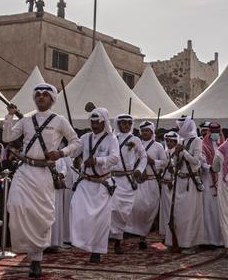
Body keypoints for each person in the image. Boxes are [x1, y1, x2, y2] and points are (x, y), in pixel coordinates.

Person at [1, 83, 80, 277]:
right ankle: (23, 246)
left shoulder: (59, 120)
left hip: (44, 172)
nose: (41, 97)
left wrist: (61, 152)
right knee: (16, 205)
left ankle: (36, 258)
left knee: (41, 216)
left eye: (45, 94)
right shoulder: (26, 120)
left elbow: (76, 142)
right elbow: (7, 137)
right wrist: (9, 116)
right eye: (38, 94)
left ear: (52, 99)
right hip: (25, 170)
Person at [68, 108, 119, 262]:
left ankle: (96, 250)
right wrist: (71, 142)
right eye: (92, 122)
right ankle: (80, 241)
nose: (94, 125)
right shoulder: (85, 138)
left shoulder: (111, 139)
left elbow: (115, 158)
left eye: (97, 122)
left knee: (100, 219)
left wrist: (97, 160)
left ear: (104, 122)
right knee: (76, 208)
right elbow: (74, 152)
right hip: (85, 182)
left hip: (102, 184)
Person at [166, 117, 204, 253]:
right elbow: (176, 163)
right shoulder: (181, 141)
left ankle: (189, 244)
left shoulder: (197, 141)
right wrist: (176, 154)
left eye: (179, 126)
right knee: (177, 214)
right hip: (179, 181)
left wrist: (184, 151)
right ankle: (174, 242)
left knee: (189, 214)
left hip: (190, 182)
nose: (177, 129)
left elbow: (195, 161)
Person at [127, 121, 167, 250]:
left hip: (151, 181)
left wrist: (153, 161)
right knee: (136, 206)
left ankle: (143, 236)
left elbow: (165, 162)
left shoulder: (158, 146)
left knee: (149, 209)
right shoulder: (135, 144)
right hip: (138, 181)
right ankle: (132, 232)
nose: (145, 133)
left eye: (147, 131)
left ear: (151, 132)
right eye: (143, 131)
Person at [108, 114, 145, 254]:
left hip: (128, 180)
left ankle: (118, 240)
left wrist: (139, 169)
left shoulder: (135, 140)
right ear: (118, 124)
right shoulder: (112, 139)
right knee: (112, 209)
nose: (126, 126)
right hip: (112, 179)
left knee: (123, 211)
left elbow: (143, 157)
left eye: (129, 123)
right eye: (123, 123)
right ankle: (108, 237)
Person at [199, 122, 225, 248]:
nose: (215, 135)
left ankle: (219, 240)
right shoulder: (203, 145)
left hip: (221, 181)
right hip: (208, 180)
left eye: (217, 132)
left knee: (219, 210)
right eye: (213, 132)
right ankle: (207, 240)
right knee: (208, 209)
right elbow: (201, 161)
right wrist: (210, 168)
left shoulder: (223, 145)